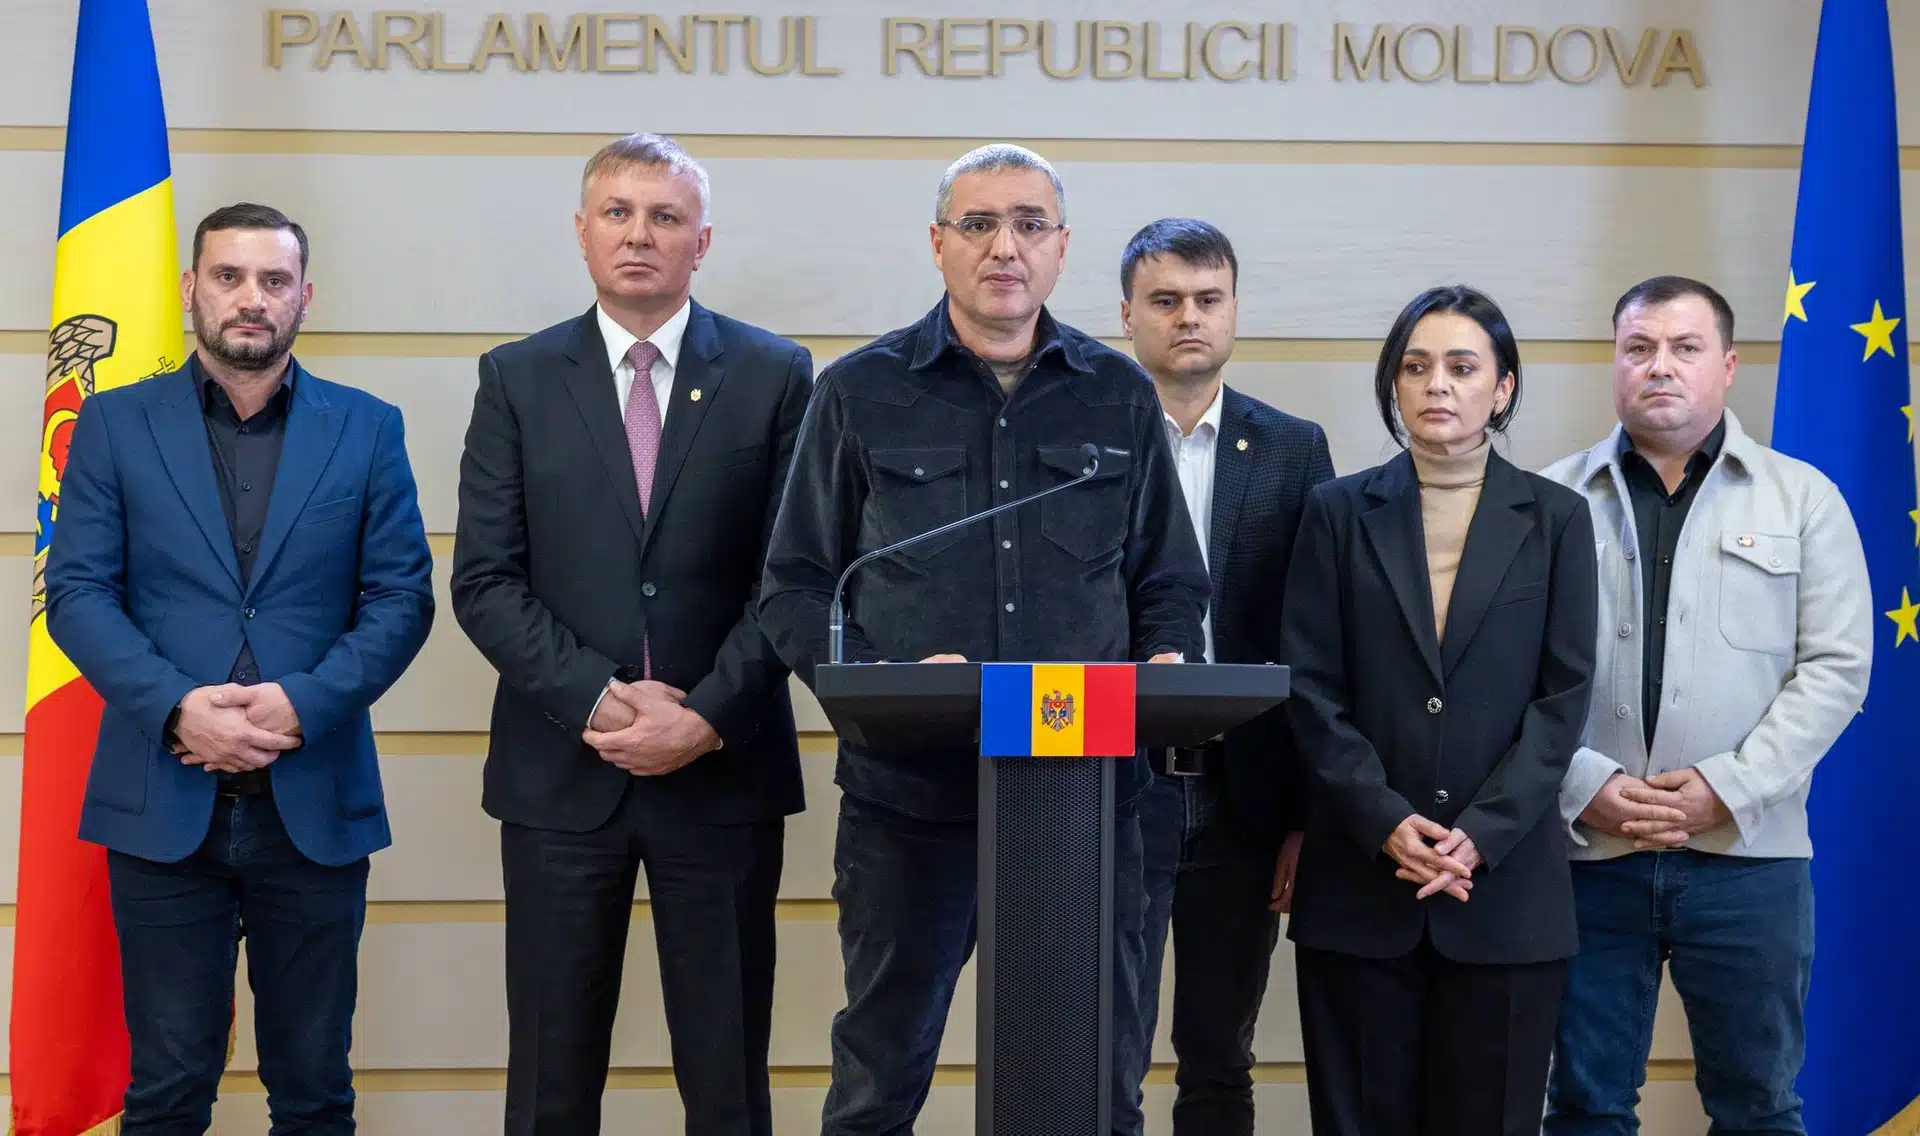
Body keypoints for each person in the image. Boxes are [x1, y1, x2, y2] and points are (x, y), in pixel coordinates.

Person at [757, 144, 1210, 1136]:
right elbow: (795, 588)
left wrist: (1169, 660)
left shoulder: (1116, 392)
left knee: (1096, 1084)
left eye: (1030, 224)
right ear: (938, 244)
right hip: (911, 797)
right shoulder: (861, 389)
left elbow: (1170, 579)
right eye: (979, 224)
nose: (1005, 246)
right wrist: (882, 680)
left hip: (1085, 794)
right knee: (880, 1080)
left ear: (1061, 248)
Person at [44, 202, 435, 1134]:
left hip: (314, 806)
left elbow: (401, 598)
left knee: (314, 1091)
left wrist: (302, 705)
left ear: (305, 296)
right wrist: (178, 708)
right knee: (168, 1090)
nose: (250, 298)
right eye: (229, 277)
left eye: (273, 280)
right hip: (161, 805)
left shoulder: (367, 428)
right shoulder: (113, 424)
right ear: (191, 289)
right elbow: (78, 594)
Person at [450, 134, 812, 1136]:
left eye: (664, 216)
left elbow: (793, 578)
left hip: (722, 771)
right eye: (618, 213)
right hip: (563, 776)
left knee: (728, 1082)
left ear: (703, 240)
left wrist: (705, 715)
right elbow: (484, 579)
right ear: (582, 232)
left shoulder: (776, 373)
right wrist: (601, 698)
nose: (639, 235)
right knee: (551, 1085)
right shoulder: (519, 376)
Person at [1540, 276, 1872, 1135]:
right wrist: (1582, 785)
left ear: (1726, 366)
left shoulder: (1803, 499)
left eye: (1685, 348)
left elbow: (1837, 668)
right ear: (1615, 363)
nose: (1661, 366)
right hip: (1585, 856)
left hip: (1749, 861)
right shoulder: (1546, 502)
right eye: (1639, 348)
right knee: (1583, 1107)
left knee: (1759, 1107)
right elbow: (1505, 674)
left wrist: (1727, 786)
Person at [1279, 285, 1597, 1136]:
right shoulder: (1336, 513)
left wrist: (1481, 835)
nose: (1437, 386)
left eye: (1462, 367)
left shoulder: (1558, 519)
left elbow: (1564, 700)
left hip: (1504, 896)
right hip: (1361, 887)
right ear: (1394, 384)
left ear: (1502, 387)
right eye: (1416, 368)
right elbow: (1309, 688)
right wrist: (1384, 820)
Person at [1118, 217, 1331, 1135]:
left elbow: (1315, 641)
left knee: (1219, 1056)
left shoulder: (1292, 449)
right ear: (1126, 315)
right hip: (1112, 783)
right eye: (1165, 300)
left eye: (1208, 299)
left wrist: (1304, 816)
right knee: (1103, 1048)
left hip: (1244, 794)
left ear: (1236, 309)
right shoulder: (1084, 441)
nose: (1189, 318)